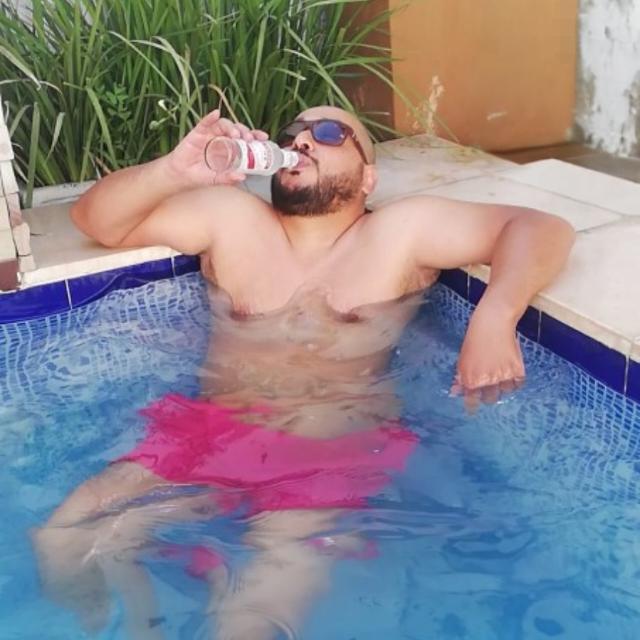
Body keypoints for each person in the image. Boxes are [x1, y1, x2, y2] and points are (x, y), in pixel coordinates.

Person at [33, 106, 575, 639]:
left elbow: (539, 228)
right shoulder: (232, 219)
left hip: (324, 456)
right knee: (59, 535)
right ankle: (93, 621)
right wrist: (173, 170)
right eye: (293, 132)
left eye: (330, 132)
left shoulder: (398, 233)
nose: (303, 140)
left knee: (248, 622)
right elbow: (95, 221)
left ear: (368, 177)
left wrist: (495, 317)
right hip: (208, 435)